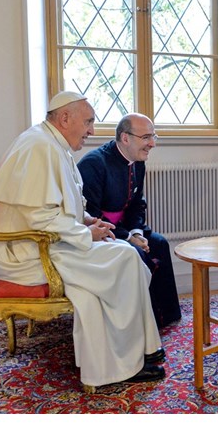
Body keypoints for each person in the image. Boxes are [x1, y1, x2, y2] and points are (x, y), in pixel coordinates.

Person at [0, 91, 166, 388]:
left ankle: (137, 352)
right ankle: (128, 361)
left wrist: (88, 221)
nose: (93, 130)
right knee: (125, 257)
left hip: (41, 242)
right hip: (24, 251)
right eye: (89, 121)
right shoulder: (39, 146)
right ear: (65, 118)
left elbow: (61, 205)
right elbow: (39, 217)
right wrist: (86, 233)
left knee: (121, 251)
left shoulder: (52, 144)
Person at [77, 113, 182, 328]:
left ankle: (166, 316)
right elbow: (90, 215)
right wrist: (127, 237)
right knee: (138, 253)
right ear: (125, 138)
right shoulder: (93, 164)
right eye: (146, 137)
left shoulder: (137, 161)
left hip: (126, 228)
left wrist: (136, 233)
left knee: (160, 244)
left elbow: (137, 204)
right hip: (101, 232)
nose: (152, 144)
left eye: (153, 136)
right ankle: (143, 322)